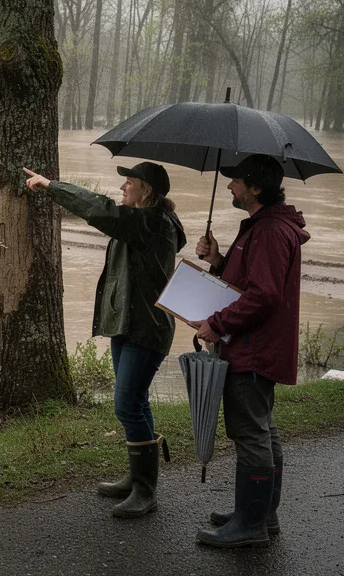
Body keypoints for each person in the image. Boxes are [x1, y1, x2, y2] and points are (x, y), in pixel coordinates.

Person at [24, 162, 186, 518]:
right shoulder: (141, 220)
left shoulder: (152, 223)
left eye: (129, 183)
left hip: (147, 327)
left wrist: (52, 186)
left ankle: (146, 491)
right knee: (136, 401)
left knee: (127, 403)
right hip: (127, 323)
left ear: (148, 191)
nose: (123, 187)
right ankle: (137, 477)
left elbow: (100, 210)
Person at [189, 154, 308, 549]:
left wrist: (218, 324)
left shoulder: (270, 231)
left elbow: (263, 296)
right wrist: (218, 260)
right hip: (257, 346)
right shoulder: (262, 226)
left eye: (236, 180)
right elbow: (248, 282)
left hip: (252, 350)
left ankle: (250, 523)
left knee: (250, 432)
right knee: (263, 429)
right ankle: (261, 513)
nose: (229, 186)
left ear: (255, 187)